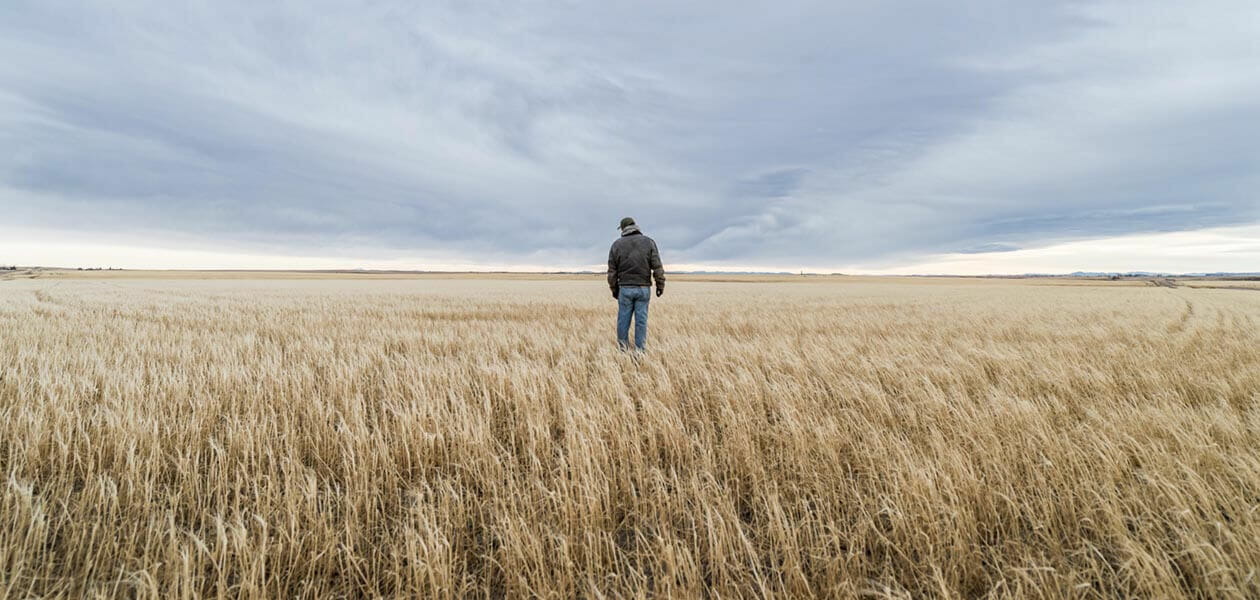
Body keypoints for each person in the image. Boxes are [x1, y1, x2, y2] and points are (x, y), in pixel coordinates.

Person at [608, 217, 665, 351]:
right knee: (641, 322)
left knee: (623, 321)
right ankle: (639, 353)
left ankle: (623, 351)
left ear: (623, 229)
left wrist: (614, 289)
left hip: (625, 289)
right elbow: (657, 267)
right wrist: (660, 285)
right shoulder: (649, 242)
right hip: (643, 289)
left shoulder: (616, 245)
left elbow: (612, 271)